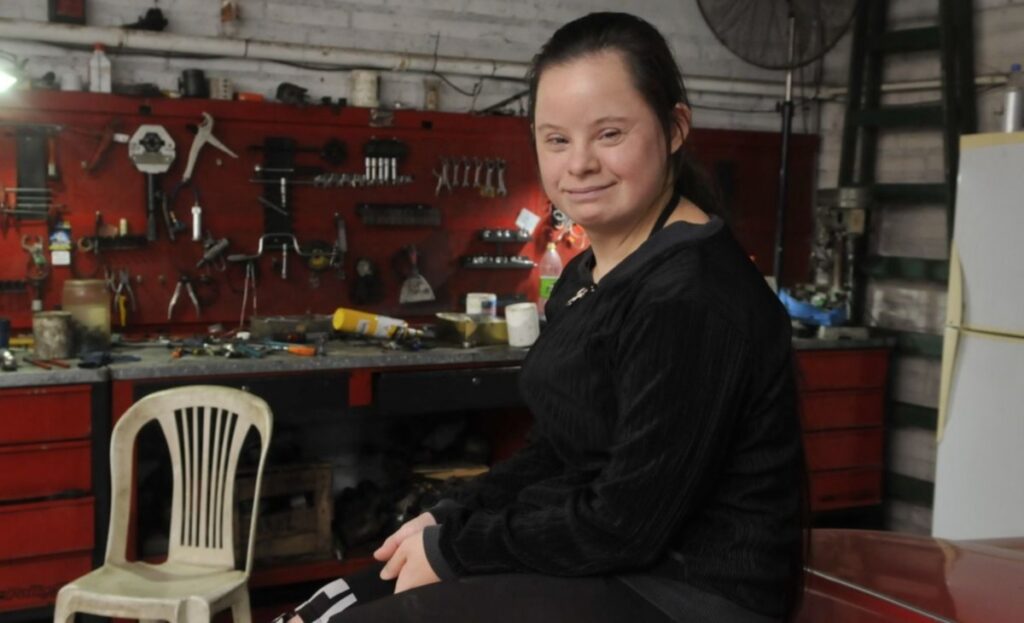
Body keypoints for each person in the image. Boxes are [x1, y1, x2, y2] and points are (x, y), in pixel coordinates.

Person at [273, 11, 805, 623]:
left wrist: (457, 550)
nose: (579, 164)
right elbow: (558, 451)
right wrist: (451, 516)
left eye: (609, 134)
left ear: (675, 127)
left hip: (688, 593)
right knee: (322, 610)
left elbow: (624, 525)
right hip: (608, 561)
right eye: (556, 140)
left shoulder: (690, 297)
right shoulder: (587, 275)